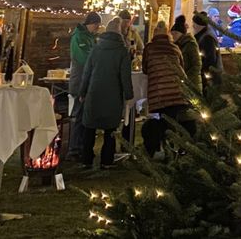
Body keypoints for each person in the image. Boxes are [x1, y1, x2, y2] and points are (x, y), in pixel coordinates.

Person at [79, 17, 133, 169]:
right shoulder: (122, 51)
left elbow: (87, 73)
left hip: (94, 93)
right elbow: (125, 76)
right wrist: (129, 95)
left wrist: (82, 92)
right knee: (110, 129)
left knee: (89, 128)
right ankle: (107, 160)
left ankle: (86, 159)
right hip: (113, 95)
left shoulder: (96, 49)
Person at [141, 23, 190, 156]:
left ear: (155, 33)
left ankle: (162, 149)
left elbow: (145, 68)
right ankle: (172, 151)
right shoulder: (175, 48)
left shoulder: (149, 48)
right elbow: (182, 67)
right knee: (171, 122)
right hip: (177, 92)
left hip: (159, 92)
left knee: (163, 122)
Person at [67, 11, 101, 159]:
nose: (98, 28)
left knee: (84, 115)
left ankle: (80, 146)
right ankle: (73, 148)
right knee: (79, 115)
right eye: (97, 25)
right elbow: (85, 59)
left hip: (85, 82)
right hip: (80, 82)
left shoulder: (89, 37)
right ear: (91, 24)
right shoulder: (79, 37)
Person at [171, 15, 202, 92]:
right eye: (172, 33)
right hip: (183, 84)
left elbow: (197, 65)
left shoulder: (190, 44)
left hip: (192, 84)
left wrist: (186, 79)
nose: (173, 36)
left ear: (181, 33)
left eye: (175, 33)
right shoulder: (177, 45)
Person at [192, 11, 220, 92]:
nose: (192, 26)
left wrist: (201, 69)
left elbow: (210, 59)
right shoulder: (204, 34)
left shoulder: (207, 38)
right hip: (206, 76)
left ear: (198, 25)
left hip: (208, 77)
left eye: (194, 24)